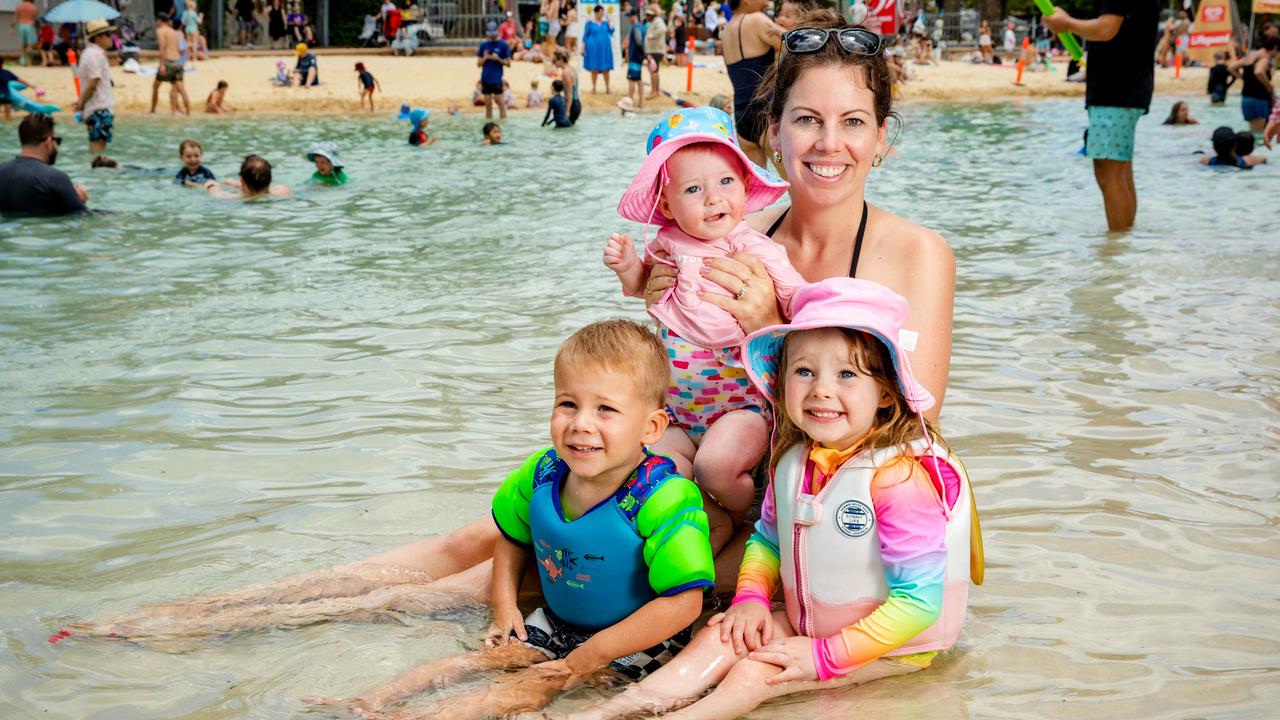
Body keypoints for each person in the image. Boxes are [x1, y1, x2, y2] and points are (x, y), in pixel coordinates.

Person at [50, 11, 958, 647]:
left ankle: (221, 629)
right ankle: (221, 613)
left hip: (771, 526)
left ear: (883, 135)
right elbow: (665, 352)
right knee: (475, 544)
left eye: (851, 123)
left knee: (477, 588)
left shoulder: (916, 256)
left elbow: (911, 444)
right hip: (664, 477)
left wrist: (772, 330)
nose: (826, 144)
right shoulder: (732, 228)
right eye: (805, 119)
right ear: (774, 126)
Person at [569, 278, 975, 720]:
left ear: (885, 392)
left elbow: (919, 604)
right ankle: (606, 713)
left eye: (846, 374)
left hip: (894, 647)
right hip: (810, 626)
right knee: (723, 635)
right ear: (781, 382)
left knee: (753, 672)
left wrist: (823, 657)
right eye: (804, 371)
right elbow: (766, 540)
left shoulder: (899, 479)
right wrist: (749, 602)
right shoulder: (795, 461)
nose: (821, 390)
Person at [304, 320, 714, 719]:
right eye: (567, 404)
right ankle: (366, 703)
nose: (580, 424)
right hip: (557, 623)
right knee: (461, 665)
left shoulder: (664, 497)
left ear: (651, 426)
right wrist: (505, 609)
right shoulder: (542, 473)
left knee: (528, 687)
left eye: (606, 409)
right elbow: (514, 541)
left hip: (634, 641)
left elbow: (683, 604)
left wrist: (590, 656)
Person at [605, 106, 804, 552]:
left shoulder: (752, 246)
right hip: (677, 410)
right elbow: (642, 288)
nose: (714, 198)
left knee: (716, 467)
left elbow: (798, 298)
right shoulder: (665, 244)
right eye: (694, 189)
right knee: (652, 468)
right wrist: (627, 268)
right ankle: (704, 521)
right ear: (666, 204)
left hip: (739, 407)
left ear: (745, 183)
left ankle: (739, 519)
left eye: (726, 182)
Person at [1044, 1, 1160, 233]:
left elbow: (1106, 29)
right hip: (1127, 86)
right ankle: (1124, 245)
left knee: (1111, 173)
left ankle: (1115, 252)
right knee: (1120, 171)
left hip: (1116, 87)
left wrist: (1066, 24)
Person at [721, 0, 782, 165]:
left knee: (759, 188)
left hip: (742, 118)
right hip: (766, 113)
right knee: (794, 183)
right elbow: (796, 46)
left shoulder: (725, 31)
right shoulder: (756, 20)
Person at [0, 113, 87, 215]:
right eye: (57, 141)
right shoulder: (55, 178)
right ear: (48, 142)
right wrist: (80, 200)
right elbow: (81, 217)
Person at [75, 20, 117, 155]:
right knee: (98, 149)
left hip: (98, 107)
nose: (111, 38)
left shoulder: (94, 54)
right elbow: (94, 82)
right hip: (99, 107)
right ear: (98, 37)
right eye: (108, 34)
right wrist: (81, 103)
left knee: (99, 147)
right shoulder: (94, 54)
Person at [1230, 37, 1278, 132]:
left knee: (1254, 129)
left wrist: (1244, 78)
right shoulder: (1264, 58)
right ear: (1275, 48)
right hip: (1259, 98)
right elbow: (1258, 72)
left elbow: (1231, 68)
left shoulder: (1250, 56)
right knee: (1260, 132)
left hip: (1246, 98)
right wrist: (1269, 87)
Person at [152, 12, 192, 115]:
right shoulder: (174, 32)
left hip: (168, 62)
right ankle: (185, 112)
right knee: (179, 88)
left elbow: (162, 47)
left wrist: (162, 65)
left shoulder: (160, 31)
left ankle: (153, 110)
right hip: (178, 62)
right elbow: (179, 49)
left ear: (160, 21)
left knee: (156, 85)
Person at [206, 154, 291, 198]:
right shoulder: (283, 191)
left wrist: (211, 185)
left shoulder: (233, 198)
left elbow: (215, 192)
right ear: (270, 179)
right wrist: (238, 184)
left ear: (242, 180)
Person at [477, 21, 512, 120]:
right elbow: (478, 64)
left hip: (497, 79)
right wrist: (486, 57)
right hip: (485, 78)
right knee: (488, 106)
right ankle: (488, 124)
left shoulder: (503, 45)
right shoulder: (484, 45)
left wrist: (498, 59)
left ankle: (503, 122)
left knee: (500, 103)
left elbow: (509, 63)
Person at [583, 5, 615, 94]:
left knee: (606, 68)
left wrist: (609, 20)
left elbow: (612, 31)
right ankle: (594, 87)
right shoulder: (589, 23)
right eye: (601, 12)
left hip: (605, 49)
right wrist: (583, 47)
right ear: (596, 13)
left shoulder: (605, 23)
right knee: (594, 68)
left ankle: (608, 87)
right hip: (593, 49)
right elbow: (585, 36)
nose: (603, 14)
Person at [625, 7, 647, 110]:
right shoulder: (641, 27)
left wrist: (643, 53)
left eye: (629, 17)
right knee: (638, 79)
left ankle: (629, 102)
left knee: (631, 80)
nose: (628, 19)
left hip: (635, 56)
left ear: (634, 17)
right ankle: (641, 103)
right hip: (638, 56)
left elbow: (638, 42)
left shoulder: (636, 27)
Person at [643, 5, 667, 100]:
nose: (646, 17)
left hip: (655, 50)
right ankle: (655, 90)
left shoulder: (658, 21)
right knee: (655, 71)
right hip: (654, 50)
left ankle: (654, 91)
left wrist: (652, 36)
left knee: (653, 71)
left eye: (648, 15)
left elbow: (663, 29)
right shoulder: (655, 22)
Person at [552, 48, 581, 124]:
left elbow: (569, 93)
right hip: (576, 103)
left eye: (555, 61)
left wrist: (567, 111)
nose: (554, 63)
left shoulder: (566, 73)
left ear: (561, 59)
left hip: (572, 105)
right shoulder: (572, 69)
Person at [12, 0, 38, 67]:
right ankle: (28, 61)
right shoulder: (33, 7)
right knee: (29, 45)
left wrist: (12, 28)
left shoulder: (19, 6)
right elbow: (35, 19)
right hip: (30, 25)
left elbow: (15, 17)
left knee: (23, 45)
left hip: (21, 25)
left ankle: (22, 61)